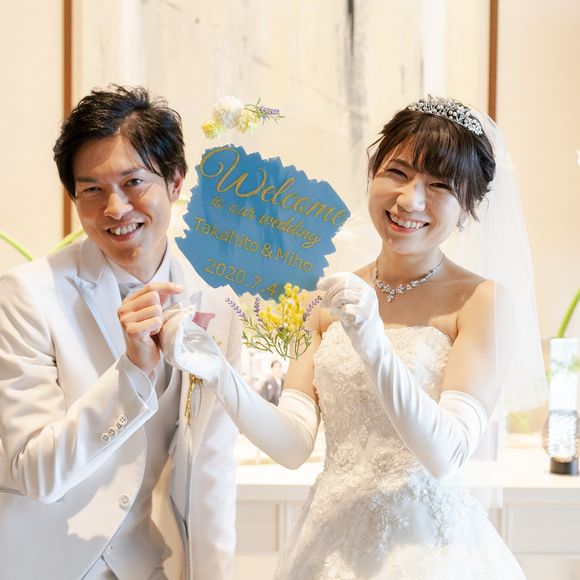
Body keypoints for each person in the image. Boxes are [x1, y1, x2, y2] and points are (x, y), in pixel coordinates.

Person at [161, 96, 546, 579]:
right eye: (398, 173)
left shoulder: (481, 301)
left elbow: (446, 454)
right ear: (373, 173)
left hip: (429, 554)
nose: (410, 200)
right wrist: (220, 373)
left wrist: (372, 342)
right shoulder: (327, 297)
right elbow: (293, 445)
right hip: (329, 549)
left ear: (468, 209)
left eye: (440, 185)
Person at [0, 86, 241, 580]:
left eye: (133, 182)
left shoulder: (217, 303)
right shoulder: (27, 294)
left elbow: (211, 471)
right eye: (91, 190)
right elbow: (36, 473)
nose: (114, 208)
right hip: (33, 562)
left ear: (175, 181)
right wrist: (132, 371)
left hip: (139, 563)